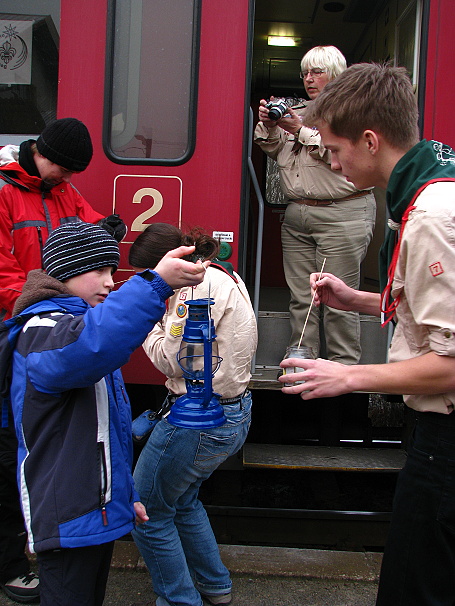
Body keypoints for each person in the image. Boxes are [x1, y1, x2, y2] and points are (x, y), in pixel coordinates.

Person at [279, 63, 455, 606]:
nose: (332, 161)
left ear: (371, 141)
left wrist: (350, 375)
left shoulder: (429, 216)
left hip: (446, 440)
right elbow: (431, 311)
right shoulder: (436, 187)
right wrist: (354, 299)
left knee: (414, 588)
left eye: (335, 149)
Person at [6, 221, 207, 606]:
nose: (109, 282)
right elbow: (97, 344)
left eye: (112, 271)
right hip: (68, 516)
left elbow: (104, 433)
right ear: (65, 272)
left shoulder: (72, 325)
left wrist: (121, 496)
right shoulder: (44, 330)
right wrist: (155, 283)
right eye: (98, 270)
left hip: (90, 510)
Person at [0, 117, 126, 603]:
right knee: (17, 445)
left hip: (56, 320)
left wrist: (106, 234)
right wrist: (34, 303)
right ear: (42, 153)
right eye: (64, 168)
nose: (67, 178)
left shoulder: (60, 190)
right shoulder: (6, 192)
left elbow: (86, 222)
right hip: (21, 328)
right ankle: (13, 558)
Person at [128, 224, 257, 606]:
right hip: (234, 411)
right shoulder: (224, 273)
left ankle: (180, 600)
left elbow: (172, 360)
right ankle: (215, 587)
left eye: (150, 274)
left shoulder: (190, 289)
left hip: (196, 419)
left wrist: (149, 324)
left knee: (147, 513)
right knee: (182, 502)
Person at [254, 45, 376, 364]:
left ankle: (343, 363)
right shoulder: (299, 112)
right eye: (305, 73)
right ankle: (303, 355)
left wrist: (300, 131)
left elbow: (349, 156)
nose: (309, 79)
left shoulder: (357, 110)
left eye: (317, 72)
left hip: (343, 213)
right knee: (301, 297)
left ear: (336, 74)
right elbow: (271, 148)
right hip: (297, 214)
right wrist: (269, 124)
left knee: (339, 297)